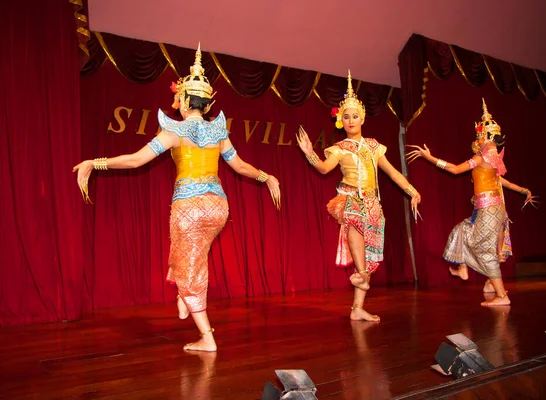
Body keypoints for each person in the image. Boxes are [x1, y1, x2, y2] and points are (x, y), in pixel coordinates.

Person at [73, 43, 281, 351]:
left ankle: (206, 336)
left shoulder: (173, 131)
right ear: (207, 105)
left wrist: (96, 162)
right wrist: (268, 177)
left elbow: (135, 160)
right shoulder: (218, 133)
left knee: (190, 267)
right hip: (218, 207)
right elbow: (238, 166)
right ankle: (184, 297)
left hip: (187, 208)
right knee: (190, 257)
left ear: (183, 102)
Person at [296, 70, 422, 322]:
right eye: (346, 116)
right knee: (353, 221)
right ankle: (362, 277)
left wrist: (412, 191)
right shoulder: (340, 148)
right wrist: (310, 153)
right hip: (349, 199)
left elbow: (393, 172)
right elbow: (323, 168)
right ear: (340, 121)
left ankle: (357, 307)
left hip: (373, 203)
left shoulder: (375, 146)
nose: (351, 120)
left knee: (371, 255)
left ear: (362, 117)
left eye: (355, 115)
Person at [407, 99, 537, 307]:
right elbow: (501, 181)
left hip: (488, 208)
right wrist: (523, 190)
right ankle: (465, 269)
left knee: (484, 250)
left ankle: (502, 295)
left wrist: (429, 158)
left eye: (481, 136)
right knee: (461, 231)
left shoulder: (482, 157)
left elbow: (455, 170)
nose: (479, 139)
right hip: (489, 208)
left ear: (486, 137)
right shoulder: (495, 159)